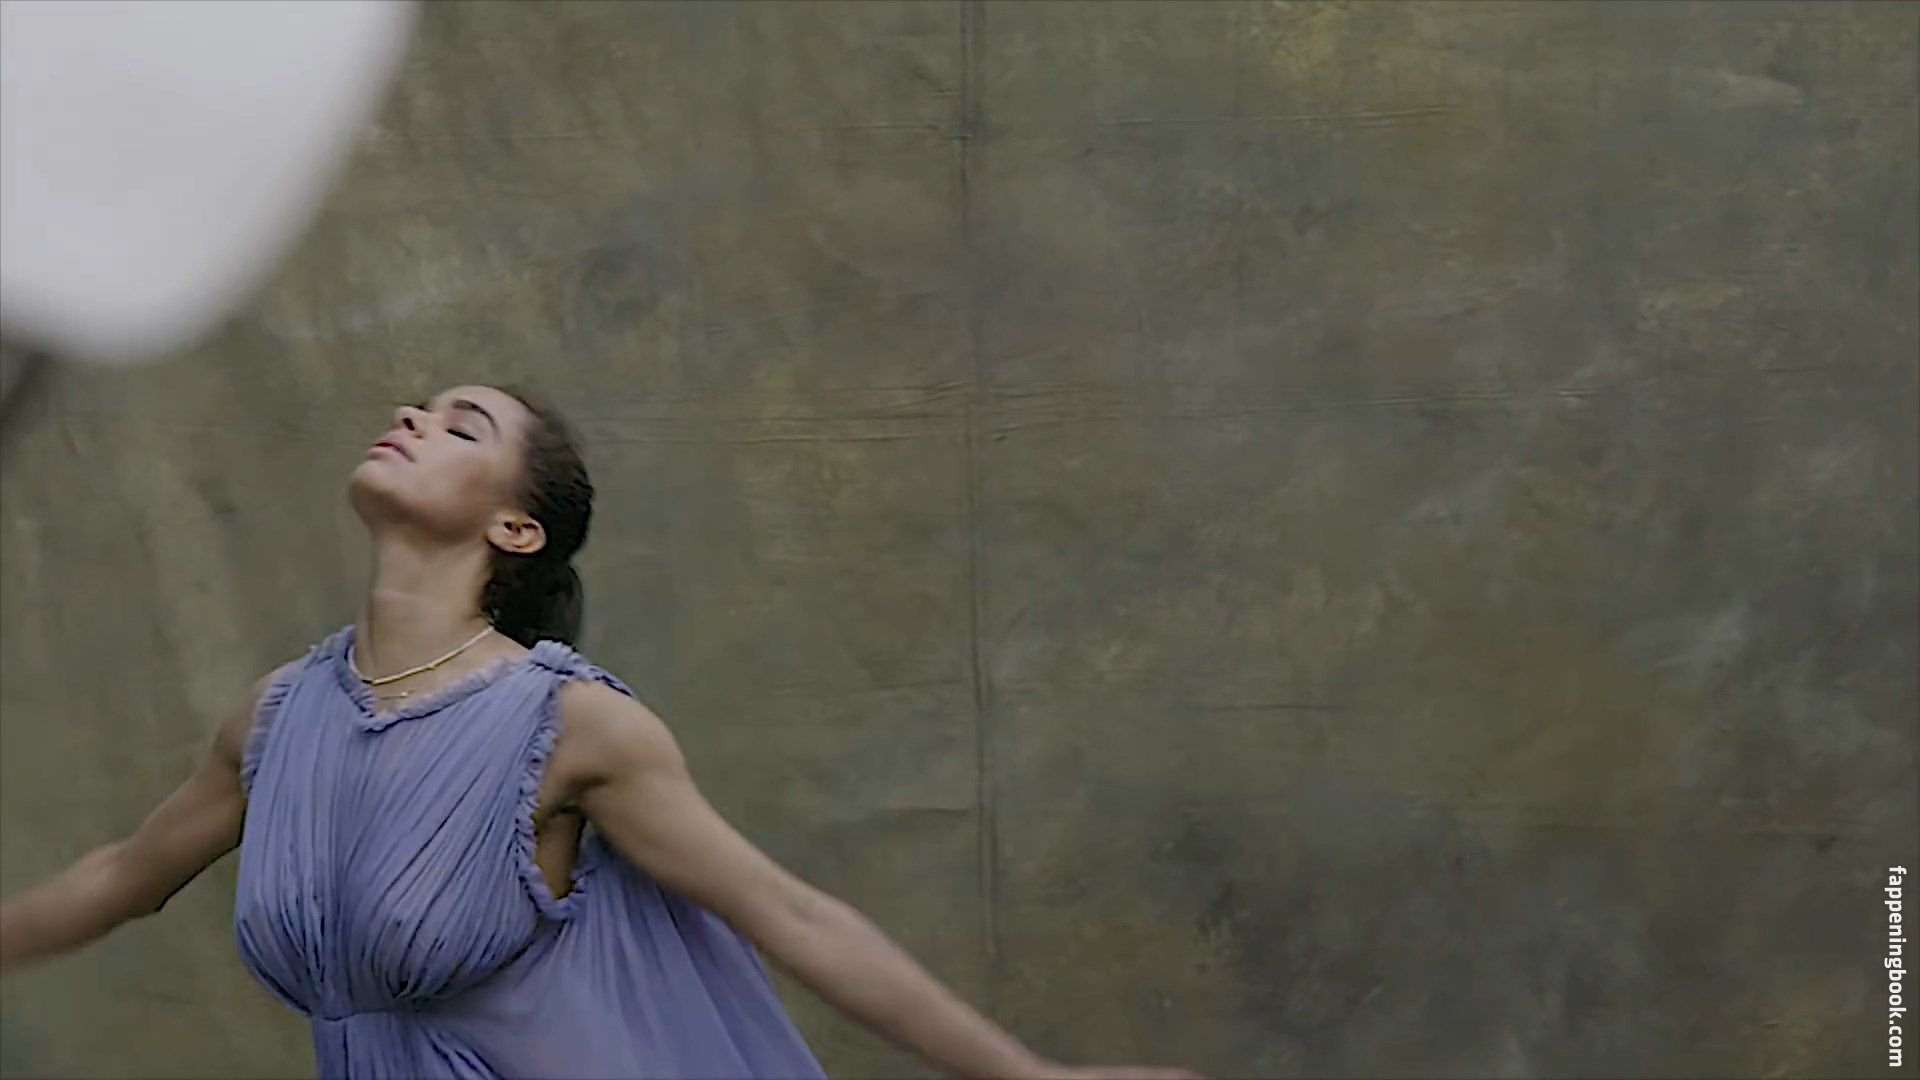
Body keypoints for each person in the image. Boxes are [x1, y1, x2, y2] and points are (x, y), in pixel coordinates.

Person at [0, 384, 1199, 1080]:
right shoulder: (276, 715)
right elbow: (120, 877)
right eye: (417, 406)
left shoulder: (569, 724)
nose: (413, 416)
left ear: (516, 531)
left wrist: (1023, 1076)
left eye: (462, 425)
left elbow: (793, 916)